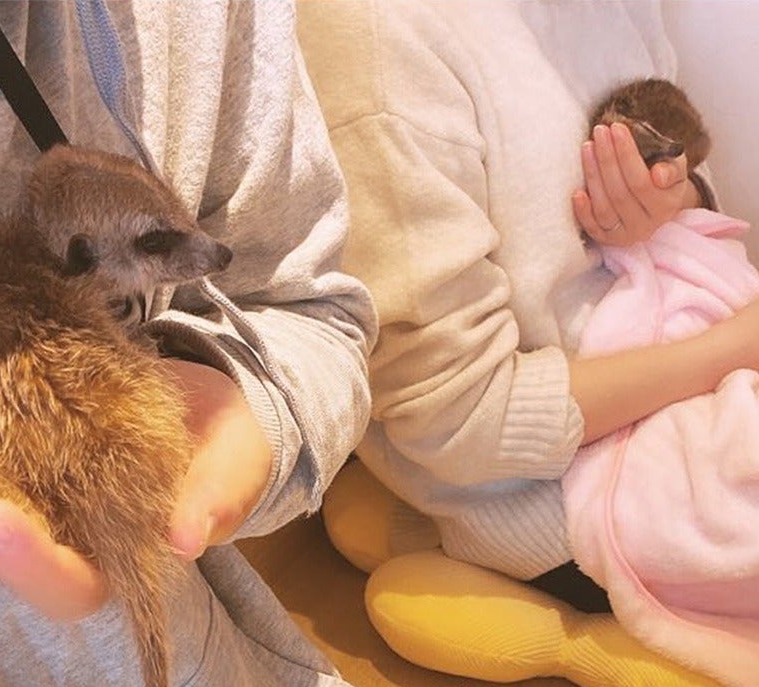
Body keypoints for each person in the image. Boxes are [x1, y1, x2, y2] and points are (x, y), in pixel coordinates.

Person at [0, 1, 378, 687]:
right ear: (80, 256)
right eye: (158, 247)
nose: (201, 258)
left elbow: (314, 310)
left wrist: (253, 404)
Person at [296, 0, 759, 610]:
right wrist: (729, 350)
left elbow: (688, 167)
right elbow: (459, 420)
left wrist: (669, 199)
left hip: (695, 373)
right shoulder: (379, 40)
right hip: (553, 491)